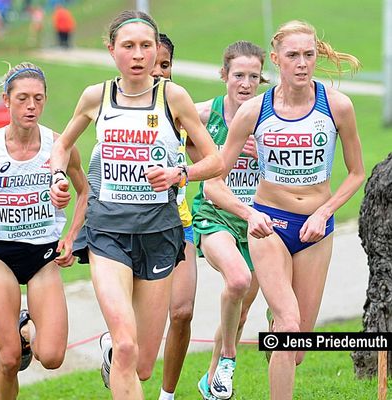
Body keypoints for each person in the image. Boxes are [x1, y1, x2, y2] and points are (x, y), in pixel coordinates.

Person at [49, 10, 222, 400]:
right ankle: (118, 346)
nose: (139, 54)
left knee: (141, 364)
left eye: (147, 46)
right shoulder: (96, 97)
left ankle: (113, 352)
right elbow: (61, 145)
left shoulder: (173, 97)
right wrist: (58, 177)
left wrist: (180, 174)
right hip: (108, 231)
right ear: (112, 51)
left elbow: (216, 160)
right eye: (129, 46)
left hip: (160, 232)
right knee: (128, 346)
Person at [204, 20, 365, 400]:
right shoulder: (254, 111)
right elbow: (214, 183)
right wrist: (249, 215)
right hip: (268, 227)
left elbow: (357, 173)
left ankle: (278, 321)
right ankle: (281, 317)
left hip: (315, 231)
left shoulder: (337, 106)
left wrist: (325, 211)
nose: (302, 63)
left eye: (309, 54)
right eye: (292, 55)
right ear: (276, 60)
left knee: (297, 348)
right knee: (289, 327)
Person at [0, 62, 88, 400]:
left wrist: (72, 236)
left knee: (53, 357)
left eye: (38, 99)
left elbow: (85, 191)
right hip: (1, 254)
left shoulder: (59, 145)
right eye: (22, 99)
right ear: (6, 100)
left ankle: (25, 329)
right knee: (8, 359)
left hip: (43, 254)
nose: (31, 106)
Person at [191, 40, 269, 400]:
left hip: (258, 223)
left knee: (238, 315)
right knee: (238, 279)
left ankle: (212, 383)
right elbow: (166, 124)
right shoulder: (208, 112)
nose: (246, 83)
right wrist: (210, 151)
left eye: (254, 76)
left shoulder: (269, 117)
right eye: (239, 75)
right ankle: (229, 359)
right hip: (215, 213)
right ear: (224, 76)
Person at [148, 33, 198, 400]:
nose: (158, 73)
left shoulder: (180, 107)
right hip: (132, 230)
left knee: (181, 312)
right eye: (153, 66)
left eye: (165, 66)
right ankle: (113, 346)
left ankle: (168, 396)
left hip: (179, 225)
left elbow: (210, 157)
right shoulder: (119, 109)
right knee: (136, 335)